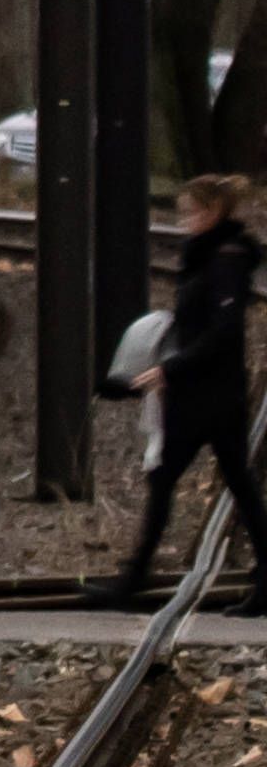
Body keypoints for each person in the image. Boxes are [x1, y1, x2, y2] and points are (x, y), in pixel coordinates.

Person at [101, 171, 267, 606]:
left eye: (191, 213)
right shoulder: (208, 256)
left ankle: (133, 580)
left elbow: (224, 331)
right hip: (206, 390)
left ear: (213, 212)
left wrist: (170, 369)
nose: (184, 222)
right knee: (229, 483)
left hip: (208, 394)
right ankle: (135, 577)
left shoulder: (226, 260)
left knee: (176, 479)